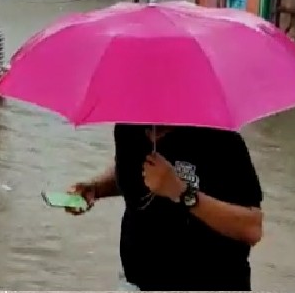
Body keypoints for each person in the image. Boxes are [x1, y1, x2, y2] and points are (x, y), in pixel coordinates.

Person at [67, 124, 263, 291]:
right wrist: (95, 188)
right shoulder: (128, 128)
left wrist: (182, 192)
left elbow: (251, 228)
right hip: (134, 283)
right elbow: (131, 173)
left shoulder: (221, 140)